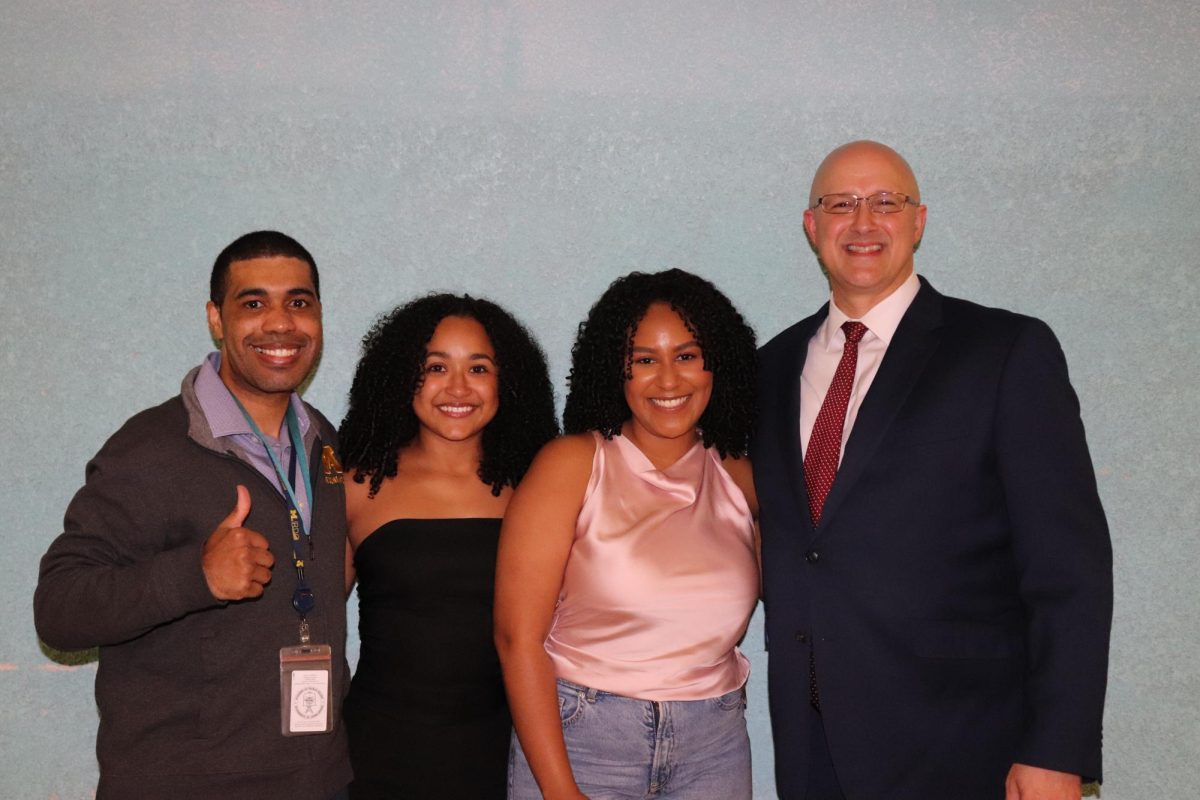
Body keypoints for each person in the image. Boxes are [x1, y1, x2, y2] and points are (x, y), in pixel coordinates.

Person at [752, 140, 1113, 800]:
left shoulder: (1005, 352)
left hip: (967, 748)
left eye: (886, 203)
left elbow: (1069, 570)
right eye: (841, 205)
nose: (863, 223)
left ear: (918, 221)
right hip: (812, 753)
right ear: (812, 227)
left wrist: (1057, 749)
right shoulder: (769, 370)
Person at [33, 231, 352, 799]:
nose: (280, 324)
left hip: (313, 779)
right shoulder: (150, 448)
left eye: (298, 302)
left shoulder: (322, 440)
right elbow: (58, 610)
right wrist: (195, 577)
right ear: (216, 318)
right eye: (253, 304)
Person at [495, 268, 760, 800]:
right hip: (582, 739)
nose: (668, 380)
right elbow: (516, 638)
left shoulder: (740, 476)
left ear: (717, 364)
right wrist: (559, 790)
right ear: (615, 371)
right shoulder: (572, 463)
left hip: (715, 746)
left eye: (686, 356)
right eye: (643, 360)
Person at [337, 294, 557, 799]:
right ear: (400, 377)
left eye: (478, 367)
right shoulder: (356, 484)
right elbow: (306, 619)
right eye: (435, 366)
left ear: (509, 381)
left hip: (505, 753)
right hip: (378, 754)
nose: (457, 387)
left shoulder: (540, 485)